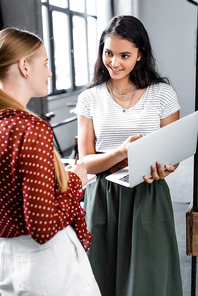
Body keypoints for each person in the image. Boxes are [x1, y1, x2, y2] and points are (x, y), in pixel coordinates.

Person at [76, 15, 183, 296]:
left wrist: (166, 167)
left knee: (150, 274)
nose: (114, 62)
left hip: (147, 192)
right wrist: (122, 151)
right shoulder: (90, 98)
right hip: (103, 195)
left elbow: (173, 153)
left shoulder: (163, 94)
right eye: (109, 53)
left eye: (125, 55)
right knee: (99, 271)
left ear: (140, 55)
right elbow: (86, 161)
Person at [0, 27, 101, 296]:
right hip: (46, 267)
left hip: (6, 260)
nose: (49, 72)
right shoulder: (30, 130)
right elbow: (43, 227)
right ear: (24, 66)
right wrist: (76, 182)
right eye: (45, 63)